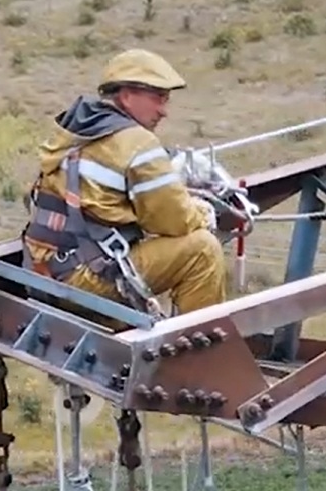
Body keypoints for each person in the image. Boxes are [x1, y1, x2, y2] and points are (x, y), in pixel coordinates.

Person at [21, 48, 227, 319]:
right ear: (127, 95)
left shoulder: (73, 133)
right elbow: (174, 220)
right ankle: (202, 354)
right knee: (203, 249)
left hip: (40, 272)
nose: (164, 111)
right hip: (83, 279)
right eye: (158, 98)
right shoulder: (138, 143)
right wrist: (203, 210)